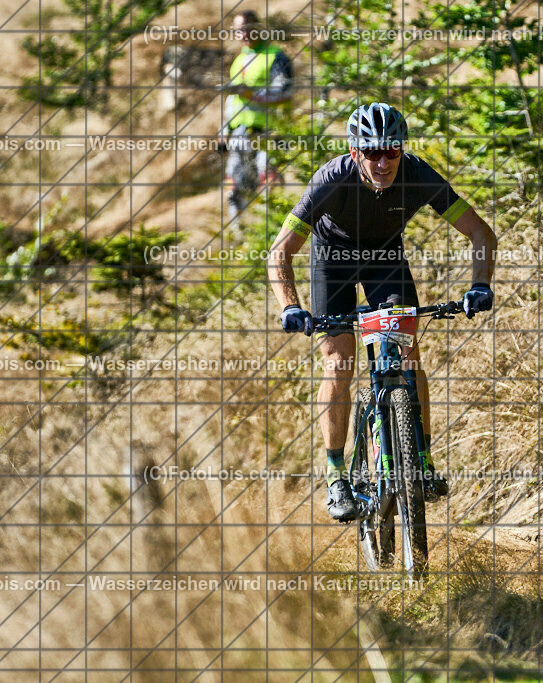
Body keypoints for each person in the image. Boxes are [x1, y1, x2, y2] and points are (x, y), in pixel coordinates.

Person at [266, 103, 497, 521]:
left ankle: (421, 458)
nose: (383, 162)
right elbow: (280, 252)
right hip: (332, 261)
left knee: (407, 355)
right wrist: (290, 307)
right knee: (338, 362)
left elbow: (480, 232)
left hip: (385, 261)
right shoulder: (331, 180)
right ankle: (337, 476)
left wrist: (480, 284)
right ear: (354, 152)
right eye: (372, 152)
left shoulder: (417, 174)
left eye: (391, 151)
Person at [217, 11, 293, 227]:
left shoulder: (276, 56)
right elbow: (233, 99)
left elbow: (285, 92)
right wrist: (224, 129)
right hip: (240, 132)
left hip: (271, 131)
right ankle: (238, 234)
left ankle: (274, 230)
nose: (244, 34)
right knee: (234, 185)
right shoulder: (240, 59)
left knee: (268, 181)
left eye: (248, 28)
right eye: (238, 30)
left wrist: (252, 94)